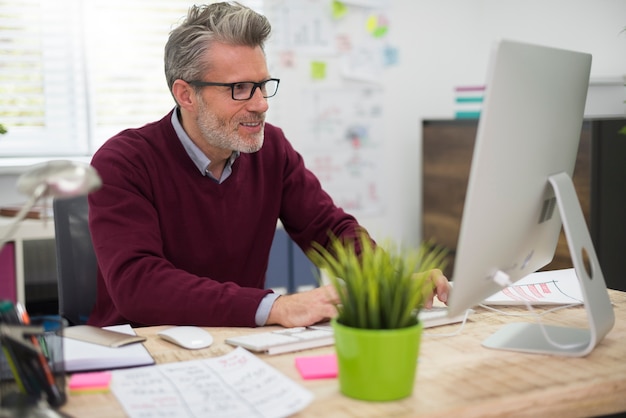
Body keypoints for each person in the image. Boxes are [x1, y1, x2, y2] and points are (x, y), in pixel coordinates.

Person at [87, 1, 450, 328]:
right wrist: (275, 307)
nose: (261, 104)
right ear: (186, 95)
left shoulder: (270, 148)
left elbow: (327, 229)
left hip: (239, 345)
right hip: (141, 353)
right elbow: (139, 285)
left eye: (262, 85)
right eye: (240, 88)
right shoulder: (123, 163)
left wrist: (393, 282)